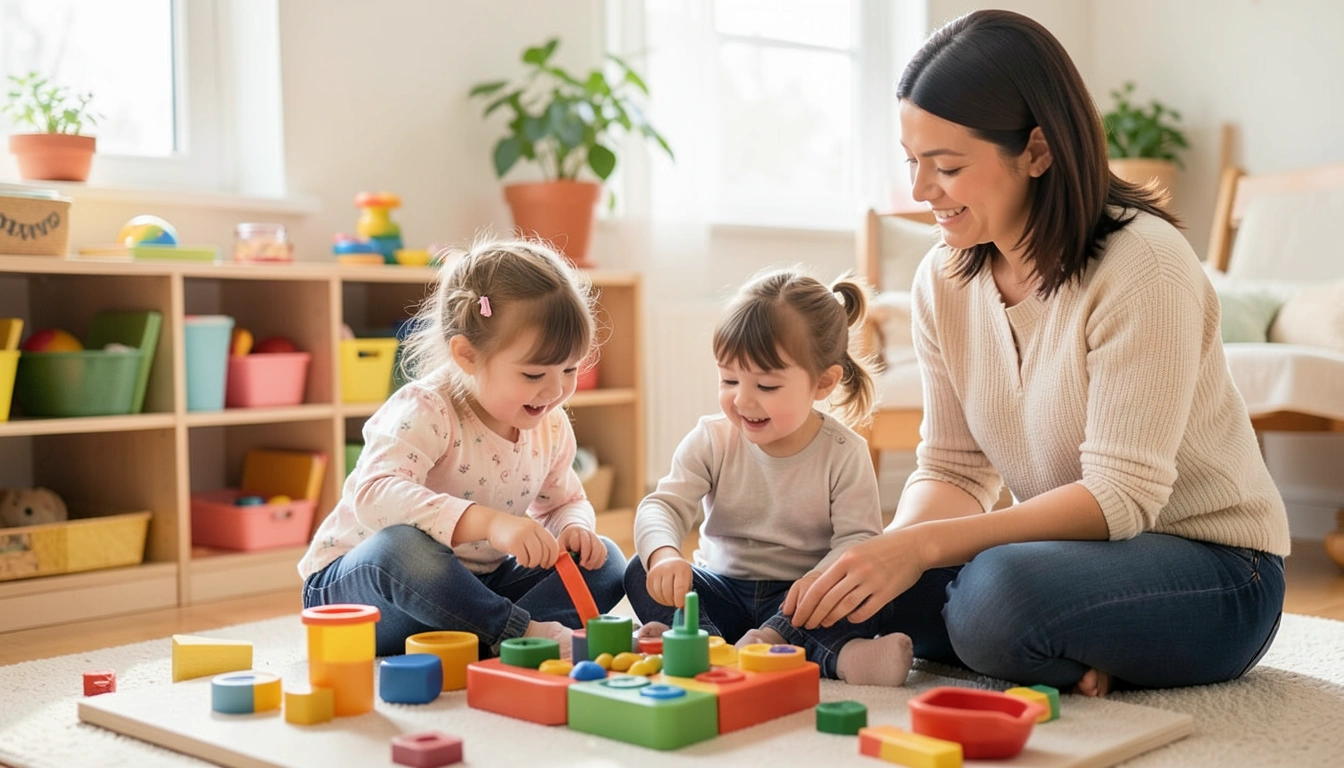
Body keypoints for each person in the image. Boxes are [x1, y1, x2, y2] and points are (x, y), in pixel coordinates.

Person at [779, 9, 1291, 697]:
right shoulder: (944, 277)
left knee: (996, 596)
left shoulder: (1146, 265)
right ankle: (1067, 653)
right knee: (846, 584)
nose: (921, 191)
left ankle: (1043, 641)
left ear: (1038, 152)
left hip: (1217, 571)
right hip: (1072, 560)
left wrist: (922, 548)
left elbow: (1122, 497)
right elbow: (954, 467)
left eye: (948, 166)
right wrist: (886, 550)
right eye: (913, 164)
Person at [298, 238, 627, 658]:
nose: (556, 389)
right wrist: (490, 524)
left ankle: (480, 633)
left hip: (465, 592)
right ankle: (513, 631)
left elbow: (564, 501)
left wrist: (572, 527)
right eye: (533, 374)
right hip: (360, 594)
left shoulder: (549, 423)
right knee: (403, 548)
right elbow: (373, 495)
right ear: (467, 356)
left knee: (606, 562)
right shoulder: (427, 408)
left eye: (570, 368)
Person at [625, 268, 915, 687]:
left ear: (823, 383)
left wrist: (815, 587)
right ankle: (704, 643)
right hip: (721, 587)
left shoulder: (844, 452)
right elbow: (662, 506)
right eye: (728, 379)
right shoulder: (713, 439)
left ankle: (840, 656)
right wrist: (664, 555)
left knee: (859, 595)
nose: (742, 399)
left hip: (802, 598)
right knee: (639, 568)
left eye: (766, 385)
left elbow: (858, 542)